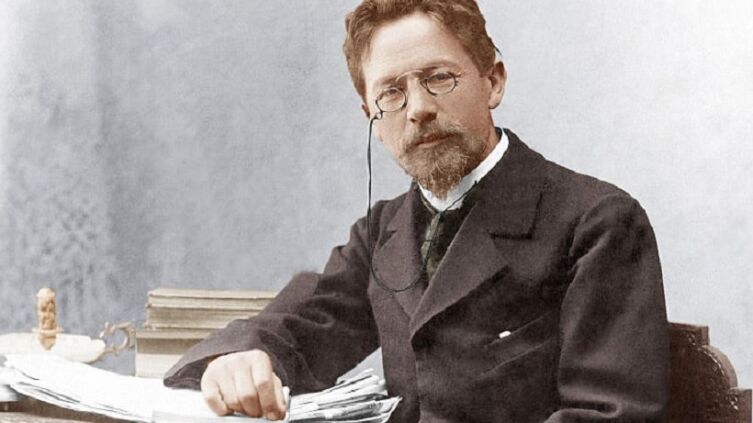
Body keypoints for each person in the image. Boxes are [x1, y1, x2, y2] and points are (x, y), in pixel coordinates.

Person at [164, 1, 670, 422]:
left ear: (493, 82)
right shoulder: (382, 232)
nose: (418, 109)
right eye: (391, 93)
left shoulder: (597, 222)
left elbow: (610, 415)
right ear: (370, 114)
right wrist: (245, 358)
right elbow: (303, 327)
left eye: (439, 78)